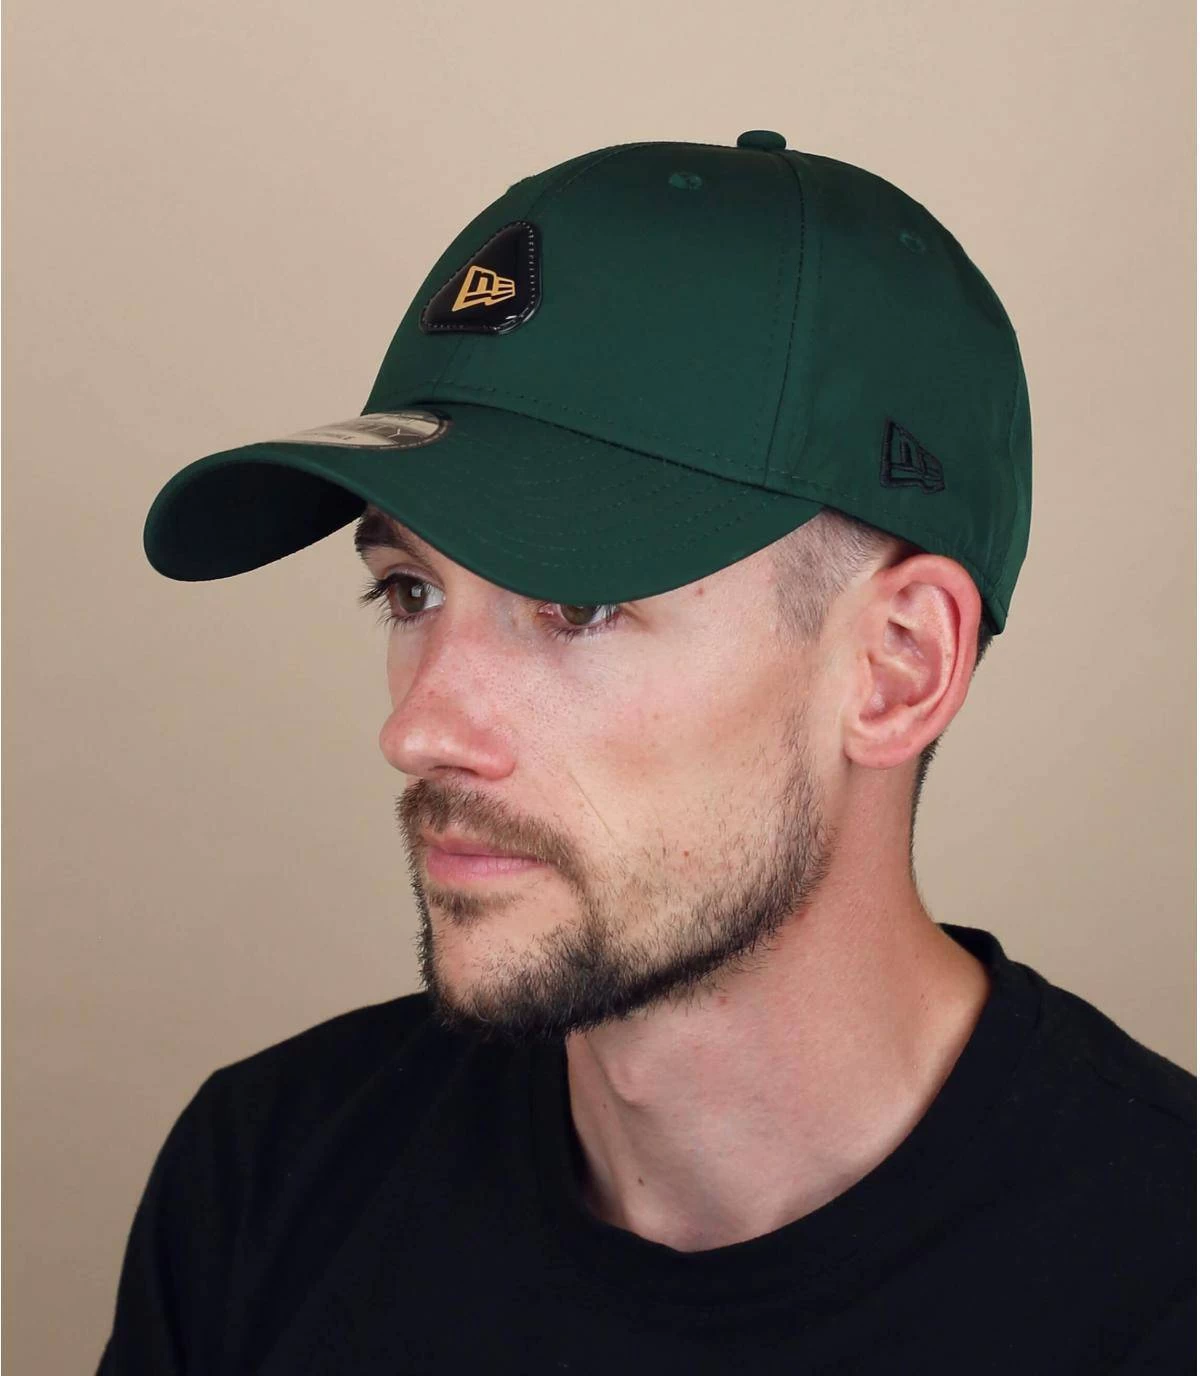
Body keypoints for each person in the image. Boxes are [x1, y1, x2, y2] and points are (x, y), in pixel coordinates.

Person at [97, 131, 1194, 1374]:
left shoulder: (1168, 1281)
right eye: (411, 590)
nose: (417, 729)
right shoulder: (268, 1181)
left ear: (898, 667)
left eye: (578, 605)